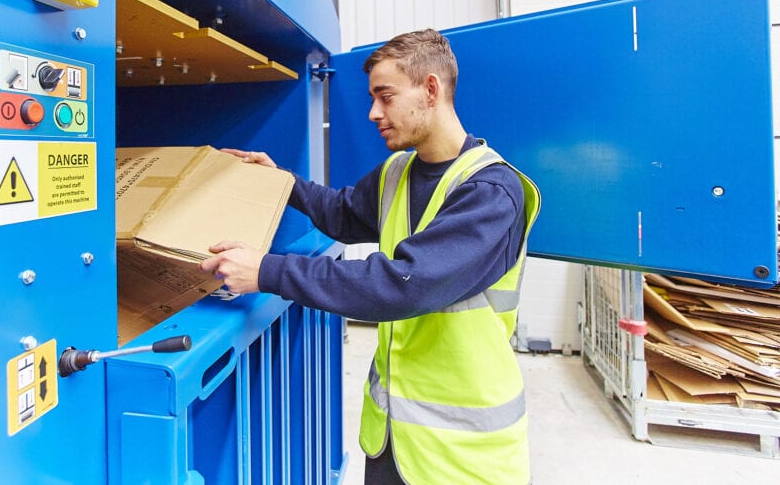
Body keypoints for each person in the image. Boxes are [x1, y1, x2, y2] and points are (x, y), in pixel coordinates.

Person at [201, 28, 541, 485]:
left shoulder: (490, 194)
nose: (373, 112)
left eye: (385, 96)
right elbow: (343, 214)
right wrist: (281, 182)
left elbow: (402, 285)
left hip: (462, 456)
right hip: (392, 438)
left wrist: (266, 271)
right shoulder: (400, 170)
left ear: (431, 90)